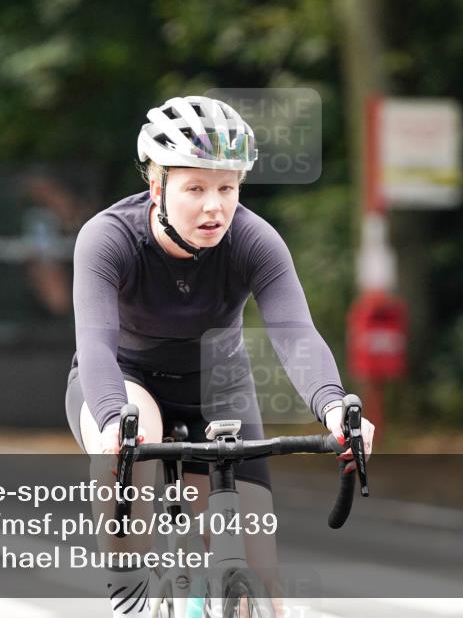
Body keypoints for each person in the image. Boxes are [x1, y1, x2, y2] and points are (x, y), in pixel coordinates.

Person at [65, 95, 375, 617]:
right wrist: (112, 421)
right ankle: (127, 596)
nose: (215, 206)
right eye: (196, 189)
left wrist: (334, 409)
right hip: (123, 380)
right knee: (133, 429)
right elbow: (94, 345)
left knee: (264, 584)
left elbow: (296, 334)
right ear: (157, 186)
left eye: (227, 188)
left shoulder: (255, 241)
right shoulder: (107, 239)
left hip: (219, 387)